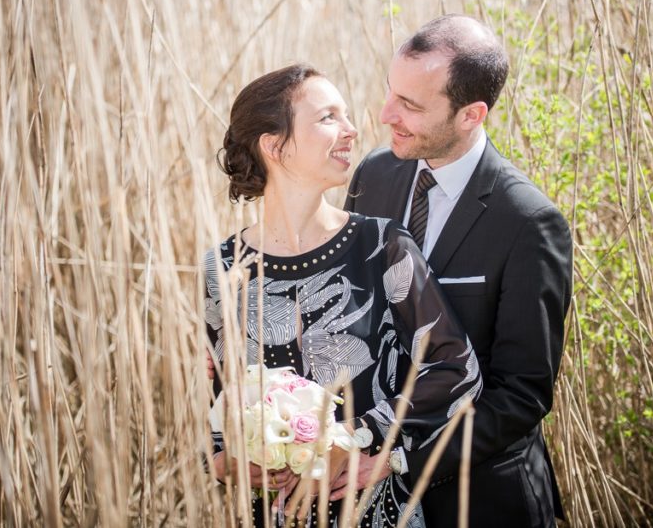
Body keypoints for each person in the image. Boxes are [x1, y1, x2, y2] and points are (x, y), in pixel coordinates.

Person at [204, 63, 482, 527]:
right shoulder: (223, 268)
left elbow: (455, 369)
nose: (352, 130)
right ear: (275, 146)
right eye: (328, 117)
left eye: (346, 114)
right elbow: (207, 395)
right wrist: (222, 460)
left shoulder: (381, 246)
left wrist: (351, 436)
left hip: (372, 513)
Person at [344, 15, 572, 527]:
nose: (385, 115)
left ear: (471, 115)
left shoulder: (530, 223)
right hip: (371, 504)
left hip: (480, 499)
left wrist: (401, 462)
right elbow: (349, 312)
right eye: (390, 93)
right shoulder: (373, 177)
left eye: (411, 106)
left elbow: (520, 395)